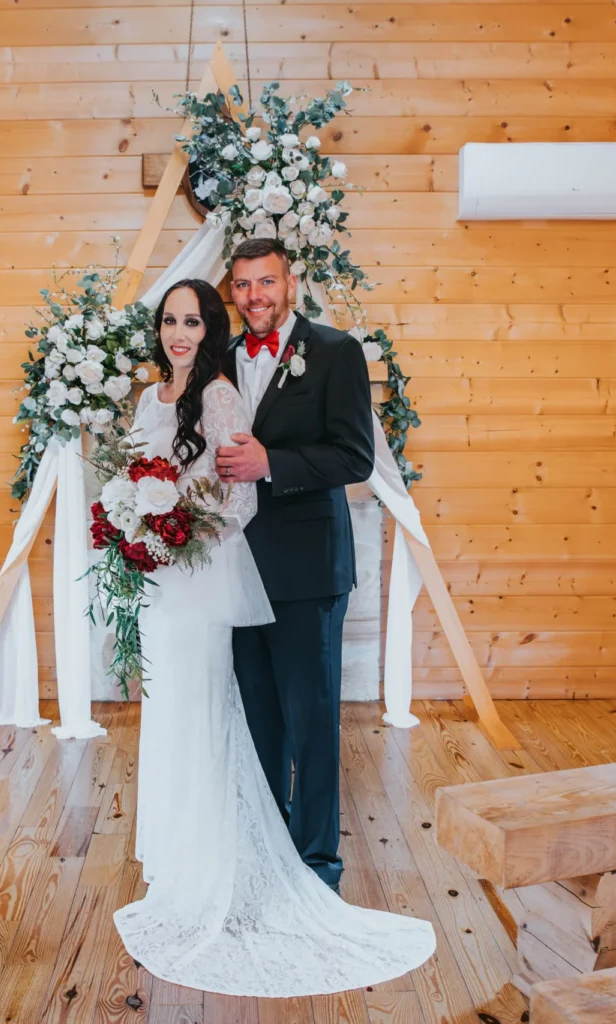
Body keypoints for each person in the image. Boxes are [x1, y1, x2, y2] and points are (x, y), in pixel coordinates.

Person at [112, 277, 433, 997]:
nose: (179, 333)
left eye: (192, 321)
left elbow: (250, 490)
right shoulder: (147, 397)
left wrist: (178, 534)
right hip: (177, 584)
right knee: (191, 714)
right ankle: (177, 852)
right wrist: (136, 528)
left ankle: (305, 864)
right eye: (169, 321)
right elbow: (135, 479)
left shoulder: (267, 376)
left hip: (232, 568)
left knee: (291, 715)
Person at [216, 237, 377, 893]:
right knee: (257, 722)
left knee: (311, 724)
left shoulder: (336, 353)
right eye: (244, 285)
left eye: (267, 282)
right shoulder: (219, 360)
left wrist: (272, 465)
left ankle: (317, 864)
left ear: (289, 284)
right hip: (234, 572)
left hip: (308, 573)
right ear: (232, 291)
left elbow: (355, 458)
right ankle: (265, 847)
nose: (256, 296)